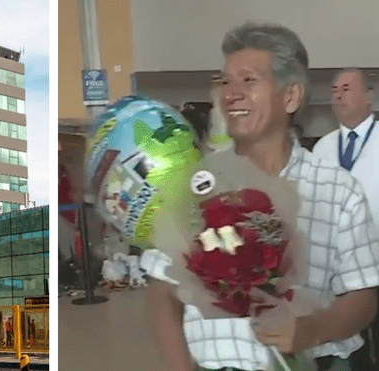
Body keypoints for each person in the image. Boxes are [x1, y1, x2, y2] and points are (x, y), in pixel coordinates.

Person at [149, 22, 379, 371]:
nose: (231, 93)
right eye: (226, 81)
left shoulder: (338, 191)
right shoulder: (194, 186)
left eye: (249, 80)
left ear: (291, 96)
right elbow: (162, 289)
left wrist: (317, 328)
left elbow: (363, 294)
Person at [312, 68, 379, 369]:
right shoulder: (322, 148)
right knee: (351, 344)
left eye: (347, 88)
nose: (338, 95)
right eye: (334, 90)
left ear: (369, 96)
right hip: (338, 269)